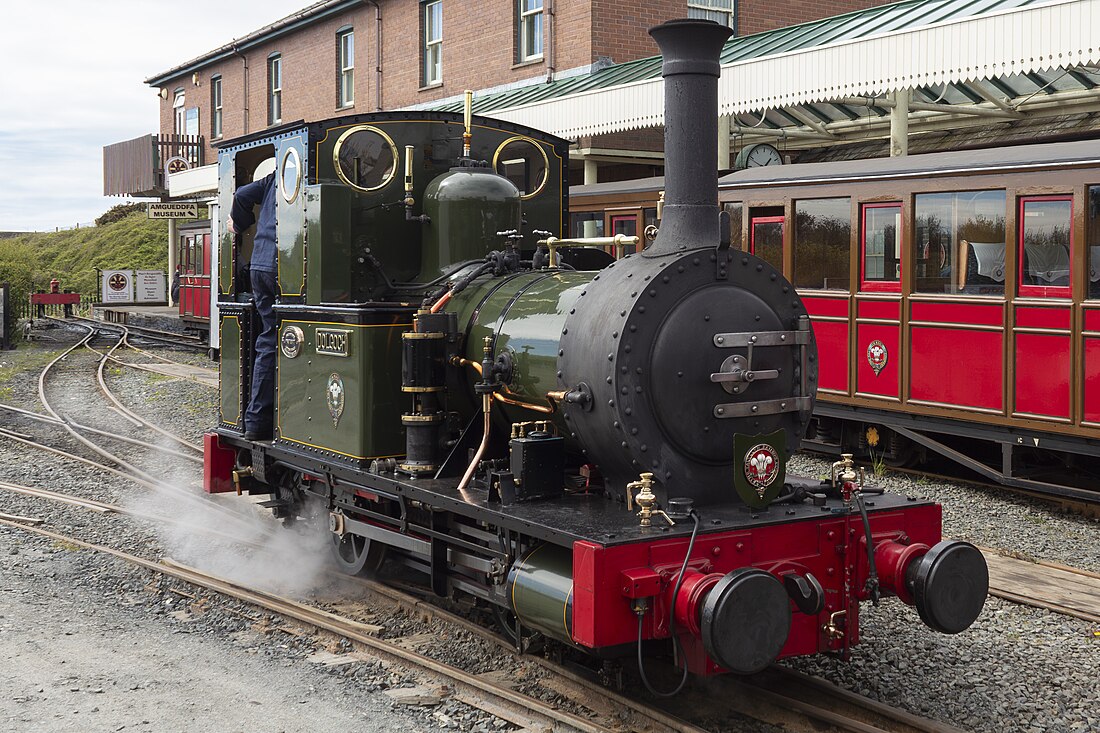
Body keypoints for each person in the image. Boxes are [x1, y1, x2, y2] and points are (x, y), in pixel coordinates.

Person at [229, 172, 278, 441]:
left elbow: (242, 195)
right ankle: (259, 419)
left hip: (260, 262)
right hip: (284, 265)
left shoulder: (273, 178)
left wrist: (239, 224)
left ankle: (258, 421)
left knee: (269, 339)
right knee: (273, 338)